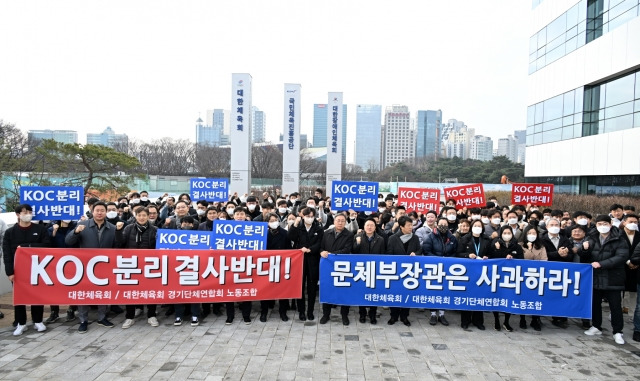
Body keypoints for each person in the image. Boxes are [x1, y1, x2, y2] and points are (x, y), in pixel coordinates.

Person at [65, 201, 117, 333]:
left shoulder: (112, 228)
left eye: (102, 210)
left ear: (106, 212)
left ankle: (102, 317)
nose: (99, 213)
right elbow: (68, 241)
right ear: (92, 212)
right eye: (97, 210)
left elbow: (117, 246)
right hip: (85, 266)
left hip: (104, 266)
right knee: (84, 293)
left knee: (103, 293)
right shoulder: (82, 225)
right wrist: (75, 232)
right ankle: (83, 320)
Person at [3, 204, 51, 335]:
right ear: (18, 215)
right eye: (25, 212)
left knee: (36, 295)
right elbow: (7, 253)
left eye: (30, 212)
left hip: (37, 268)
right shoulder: (10, 232)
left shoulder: (40, 229)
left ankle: (38, 321)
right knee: (19, 296)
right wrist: (9, 271)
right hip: (18, 270)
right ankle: (21, 323)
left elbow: (46, 245)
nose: (28, 214)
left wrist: (26, 246)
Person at [583, 215, 628, 345]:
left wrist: (602, 264)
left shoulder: (619, 238)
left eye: (605, 223)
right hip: (596, 276)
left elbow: (622, 256)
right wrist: (584, 249)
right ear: (596, 225)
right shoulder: (591, 237)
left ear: (610, 224)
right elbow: (585, 257)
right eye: (599, 224)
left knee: (615, 306)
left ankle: (618, 331)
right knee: (595, 304)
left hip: (613, 277)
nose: (602, 226)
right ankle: (596, 326)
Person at [114, 207, 162, 328]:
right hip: (132, 264)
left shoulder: (155, 230)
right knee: (131, 291)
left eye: (144, 215)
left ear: (148, 216)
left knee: (151, 290)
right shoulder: (129, 228)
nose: (142, 217)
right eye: (139, 215)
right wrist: (118, 231)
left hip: (150, 265)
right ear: (135, 216)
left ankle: (151, 315)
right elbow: (120, 244)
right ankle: (129, 317)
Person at [288, 207, 324, 321]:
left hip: (313, 260)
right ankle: (301, 311)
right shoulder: (298, 227)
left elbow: (320, 243)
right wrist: (295, 224)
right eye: (307, 216)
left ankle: (310, 311)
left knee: (312, 287)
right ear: (302, 216)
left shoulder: (318, 227)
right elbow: (291, 237)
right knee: (300, 286)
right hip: (300, 260)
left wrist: (311, 249)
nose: (309, 218)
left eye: (311, 216)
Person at [318, 213, 354, 325]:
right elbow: (321, 247)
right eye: (338, 220)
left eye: (343, 221)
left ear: (345, 222)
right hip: (328, 267)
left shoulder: (349, 235)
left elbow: (347, 250)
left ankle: (344, 315)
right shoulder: (326, 233)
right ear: (334, 221)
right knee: (327, 290)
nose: (340, 223)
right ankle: (326, 314)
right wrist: (322, 252)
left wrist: (331, 254)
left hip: (343, 267)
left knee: (344, 291)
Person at [386, 216, 422, 326]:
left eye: (412, 225)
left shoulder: (414, 238)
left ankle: (404, 316)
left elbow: (419, 250)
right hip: (396, 271)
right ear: (401, 227)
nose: (411, 227)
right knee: (395, 293)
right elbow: (389, 254)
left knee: (408, 293)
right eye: (409, 225)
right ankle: (394, 316)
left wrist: (416, 254)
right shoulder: (393, 238)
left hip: (410, 271)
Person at [422, 217, 458, 326]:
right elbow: (426, 251)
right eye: (441, 224)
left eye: (445, 224)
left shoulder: (452, 238)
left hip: (447, 269)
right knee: (433, 291)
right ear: (437, 225)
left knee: (444, 291)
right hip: (433, 268)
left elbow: (456, 252)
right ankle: (433, 314)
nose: (443, 226)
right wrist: (438, 260)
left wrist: (446, 260)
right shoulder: (430, 237)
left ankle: (442, 314)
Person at [487, 225, 524, 332]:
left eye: (509, 233)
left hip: (511, 277)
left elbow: (521, 259)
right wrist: (499, 250)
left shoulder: (516, 246)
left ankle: (506, 321)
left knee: (509, 298)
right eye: (504, 233)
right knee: (496, 297)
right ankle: (496, 320)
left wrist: (512, 258)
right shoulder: (495, 243)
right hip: (497, 275)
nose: (507, 235)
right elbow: (492, 257)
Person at [540, 217, 574, 327]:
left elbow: (571, 254)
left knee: (560, 295)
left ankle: (559, 318)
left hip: (561, 271)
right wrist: (557, 253)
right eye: (551, 225)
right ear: (546, 227)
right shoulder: (541, 239)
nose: (554, 227)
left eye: (556, 225)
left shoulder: (565, 239)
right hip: (546, 271)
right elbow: (542, 255)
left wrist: (565, 254)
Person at [457, 220, 490, 330]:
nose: (477, 227)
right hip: (468, 270)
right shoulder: (464, 239)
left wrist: (486, 257)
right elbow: (458, 253)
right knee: (467, 295)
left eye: (479, 226)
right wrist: (467, 255)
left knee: (479, 296)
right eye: (475, 226)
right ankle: (465, 321)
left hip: (481, 272)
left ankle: (478, 321)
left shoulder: (486, 239)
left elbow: (490, 253)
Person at [352, 218, 386, 324]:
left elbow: (383, 255)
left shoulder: (380, 239)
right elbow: (353, 252)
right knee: (361, 292)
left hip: (375, 269)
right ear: (364, 227)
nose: (369, 227)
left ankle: (372, 314)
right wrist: (357, 244)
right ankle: (362, 314)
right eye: (367, 225)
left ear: (375, 227)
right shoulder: (358, 237)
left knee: (373, 292)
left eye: (372, 225)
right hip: (361, 269)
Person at [45, 219, 78, 324]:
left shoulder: (76, 227)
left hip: (73, 261)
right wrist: (53, 233)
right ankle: (54, 311)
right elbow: (46, 244)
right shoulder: (51, 228)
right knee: (54, 287)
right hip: (55, 263)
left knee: (73, 285)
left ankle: (72, 309)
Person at [261, 213, 292, 322]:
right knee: (264, 289)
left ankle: (283, 312)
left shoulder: (285, 233)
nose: (274, 222)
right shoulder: (262, 233)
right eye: (271, 220)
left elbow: (289, 249)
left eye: (275, 220)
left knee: (282, 289)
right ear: (267, 222)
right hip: (265, 265)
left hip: (281, 265)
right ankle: (264, 312)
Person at [224, 207, 252, 325]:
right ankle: (230, 316)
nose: (240, 216)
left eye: (242, 214)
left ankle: (246, 315)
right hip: (230, 264)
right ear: (233, 216)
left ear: (245, 216)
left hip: (247, 263)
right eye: (237, 214)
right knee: (229, 291)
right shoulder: (225, 229)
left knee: (247, 290)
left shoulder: (252, 229)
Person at [519, 224, 547, 331]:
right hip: (523, 276)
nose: (531, 235)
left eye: (534, 233)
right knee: (523, 297)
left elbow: (544, 260)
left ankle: (535, 320)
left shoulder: (541, 246)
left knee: (536, 298)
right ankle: (522, 319)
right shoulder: (520, 245)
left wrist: (532, 251)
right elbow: (522, 259)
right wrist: (529, 251)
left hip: (537, 276)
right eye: (529, 233)